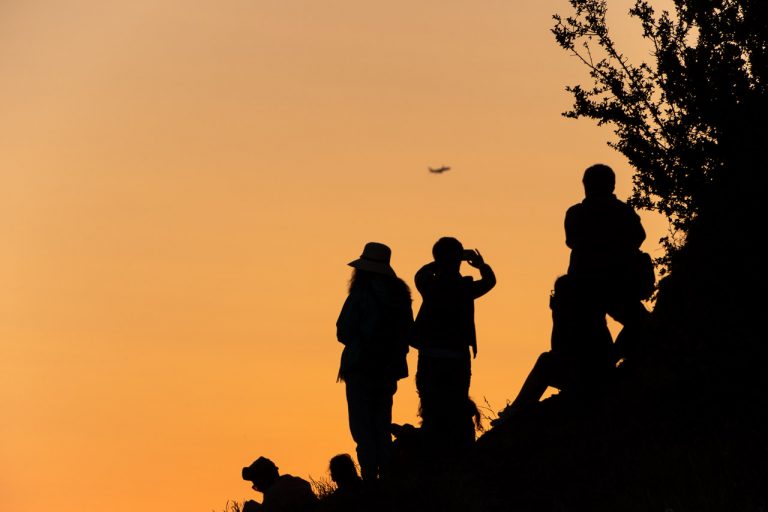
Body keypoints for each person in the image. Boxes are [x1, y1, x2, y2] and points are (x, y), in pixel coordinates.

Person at [336, 242, 413, 482]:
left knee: (362, 427)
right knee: (381, 423)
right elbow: (408, 332)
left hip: (361, 367)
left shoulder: (360, 295)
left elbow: (343, 332)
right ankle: (387, 476)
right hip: (388, 369)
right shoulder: (401, 297)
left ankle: (369, 478)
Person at [493, 274, 614, 425]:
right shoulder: (583, 317)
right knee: (547, 360)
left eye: (557, 294)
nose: (553, 297)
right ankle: (518, 408)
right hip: (586, 373)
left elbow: (558, 347)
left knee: (545, 361)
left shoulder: (580, 321)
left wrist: (556, 315)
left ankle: (517, 409)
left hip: (590, 377)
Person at [412, 237, 495, 454]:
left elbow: (419, 274)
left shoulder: (429, 285)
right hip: (458, 357)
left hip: (430, 355)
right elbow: (490, 281)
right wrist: (480, 264)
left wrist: (438, 262)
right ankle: (461, 451)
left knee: (430, 406)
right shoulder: (464, 287)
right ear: (458, 260)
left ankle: (434, 452)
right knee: (458, 405)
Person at [564, 164, 651, 359]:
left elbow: (571, 241)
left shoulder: (576, 213)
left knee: (591, 334)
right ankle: (611, 362)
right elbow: (639, 237)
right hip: (618, 283)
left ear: (585, 185)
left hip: (585, 284)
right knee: (641, 324)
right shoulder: (624, 212)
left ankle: (607, 364)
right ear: (612, 186)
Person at [241, 456, 317, 512]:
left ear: (264, 481)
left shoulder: (273, 494)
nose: (259, 490)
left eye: (257, 486)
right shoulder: (298, 482)